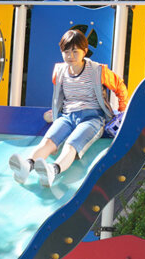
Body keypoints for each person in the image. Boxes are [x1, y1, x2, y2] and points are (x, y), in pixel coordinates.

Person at [9, 29, 128, 188]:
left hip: (93, 117)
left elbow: (120, 87)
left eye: (75, 51)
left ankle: (53, 170)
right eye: (66, 51)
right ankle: (27, 166)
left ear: (85, 51)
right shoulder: (59, 71)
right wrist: (55, 113)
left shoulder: (98, 70)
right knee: (48, 141)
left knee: (72, 144)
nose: (70, 55)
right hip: (68, 116)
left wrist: (122, 111)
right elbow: (59, 98)